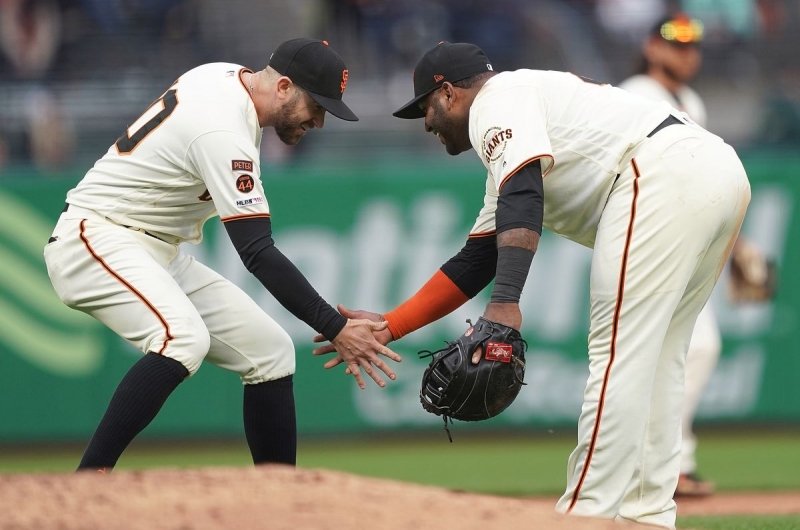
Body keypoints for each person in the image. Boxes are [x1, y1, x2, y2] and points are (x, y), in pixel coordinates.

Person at [314, 42, 750, 528]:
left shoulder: (495, 100)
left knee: (618, 358)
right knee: (661, 359)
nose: (427, 124)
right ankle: (647, 515)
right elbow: (477, 258)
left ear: (450, 93)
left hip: (661, 173)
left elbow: (524, 193)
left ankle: (586, 515)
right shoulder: (517, 120)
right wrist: (390, 325)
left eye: (425, 108)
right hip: (715, 169)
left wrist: (505, 304)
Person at [43, 38, 401, 472]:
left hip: (152, 244)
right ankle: (89, 481)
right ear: (284, 87)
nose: (320, 121)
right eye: (317, 105)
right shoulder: (223, 128)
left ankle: (279, 500)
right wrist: (336, 326)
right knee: (182, 339)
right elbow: (257, 252)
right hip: (97, 235)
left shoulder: (226, 77)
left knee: (270, 351)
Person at [619, 13, 767, 498]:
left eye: (693, 44)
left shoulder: (691, 100)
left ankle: (664, 464)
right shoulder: (635, 90)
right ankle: (655, 465)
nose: (687, 52)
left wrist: (736, 244)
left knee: (685, 350)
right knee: (671, 350)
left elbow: (703, 175)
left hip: (681, 235)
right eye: (675, 43)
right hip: (645, 232)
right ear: (651, 46)